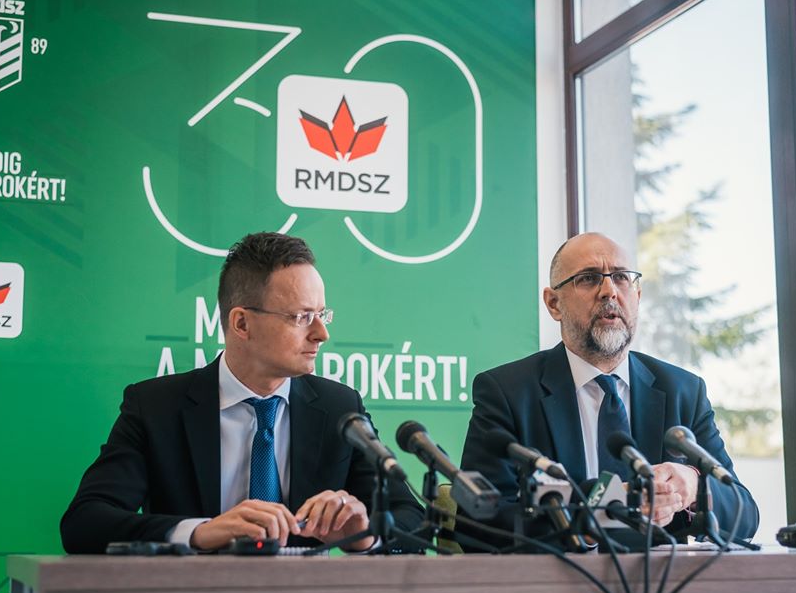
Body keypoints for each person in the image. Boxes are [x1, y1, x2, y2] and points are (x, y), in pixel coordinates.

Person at [61, 232, 422, 553]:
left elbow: (412, 519)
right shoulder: (156, 408)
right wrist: (200, 532)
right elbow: (84, 522)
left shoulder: (340, 408)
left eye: (322, 315)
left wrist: (365, 534)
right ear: (242, 323)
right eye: (301, 317)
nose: (321, 334)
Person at [460, 232, 759, 547]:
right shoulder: (508, 393)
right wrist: (592, 518)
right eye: (589, 279)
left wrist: (696, 487)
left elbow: (745, 515)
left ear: (637, 296)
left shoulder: (682, 391)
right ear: (554, 303)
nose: (609, 291)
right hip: (561, 576)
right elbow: (476, 524)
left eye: (621, 278)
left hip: (664, 576)